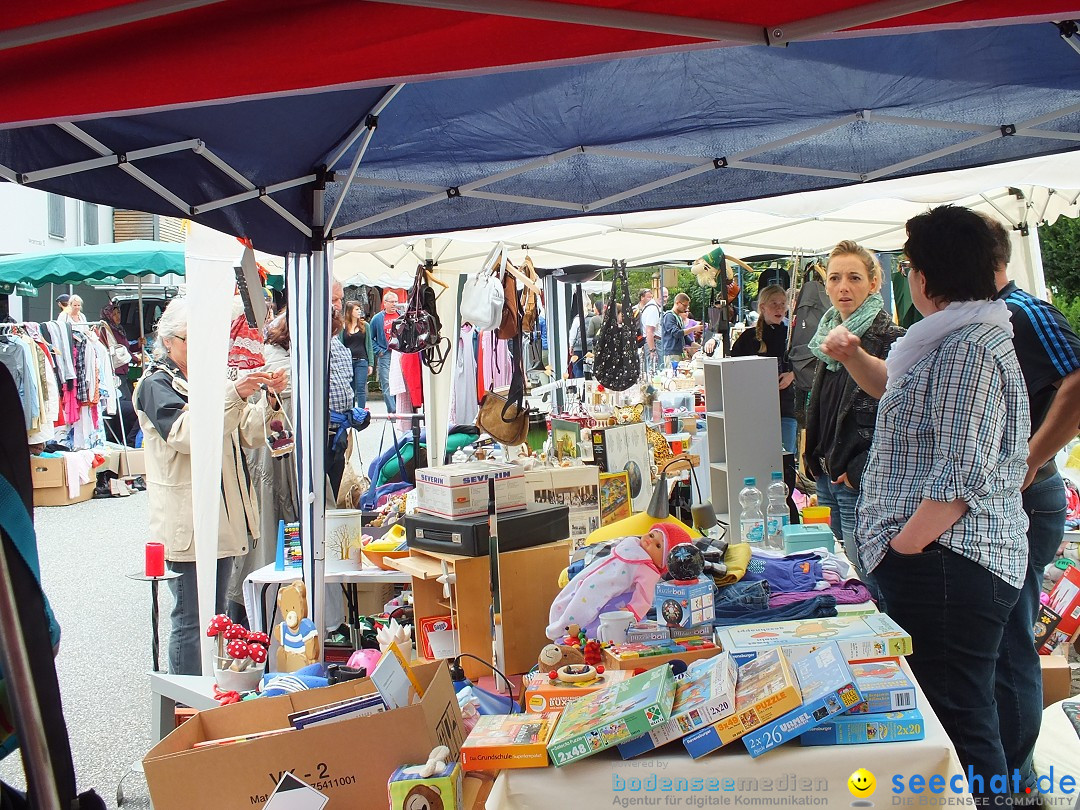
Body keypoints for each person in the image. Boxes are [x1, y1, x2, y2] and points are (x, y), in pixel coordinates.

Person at [833, 206, 1029, 799]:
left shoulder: (967, 347)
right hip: (944, 558)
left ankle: (989, 800)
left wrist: (907, 544)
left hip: (948, 560)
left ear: (924, 276)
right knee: (959, 712)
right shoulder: (951, 338)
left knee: (961, 720)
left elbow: (961, 472)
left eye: (911, 265)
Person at [134, 296, 286, 674]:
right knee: (191, 619)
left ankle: (206, 691)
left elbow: (249, 434)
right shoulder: (155, 384)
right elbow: (187, 436)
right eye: (191, 339)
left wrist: (268, 397)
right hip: (190, 522)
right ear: (168, 341)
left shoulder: (208, 380)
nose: (201, 347)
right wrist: (235, 395)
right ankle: (184, 702)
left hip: (220, 519)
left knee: (212, 614)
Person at [983, 216, 1080, 792]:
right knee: (997, 637)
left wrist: (1030, 456)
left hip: (1027, 497)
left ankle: (1013, 779)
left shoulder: (1025, 310)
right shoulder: (983, 317)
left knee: (1010, 637)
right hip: (1001, 499)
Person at [802, 240, 903, 602]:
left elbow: (898, 421)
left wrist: (858, 468)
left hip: (858, 478)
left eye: (854, 278)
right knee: (841, 577)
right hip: (829, 473)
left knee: (869, 581)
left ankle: (885, 649)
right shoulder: (827, 339)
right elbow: (827, 408)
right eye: (835, 278)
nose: (843, 287)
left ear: (874, 283)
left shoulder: (891, 340)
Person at [729, 285, 797, 454]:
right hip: (756, 411)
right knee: (760, 457)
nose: (779, 308)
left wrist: (792, 375)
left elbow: (807, 365)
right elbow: (735, 372)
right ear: (762, 307)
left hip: (786, 408)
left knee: (785, 459)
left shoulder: (791, 336)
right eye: (774, 303)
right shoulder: (748, 338)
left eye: (783, 303)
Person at [326, 289, 354, 498]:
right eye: (334, 299)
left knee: (334, 485)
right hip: (322, 432)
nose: (339, 304)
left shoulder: (336, 341)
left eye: (340, 299)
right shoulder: (310, 342)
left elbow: (345, 381)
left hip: (339, 431)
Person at [369, 290, 399, 412]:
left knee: (399, 382)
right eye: (391, 302)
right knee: (386, 382)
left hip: (399, 353)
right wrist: (379, 351)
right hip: (385, 353)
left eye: (396, 302)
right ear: (384, 303)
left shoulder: (401, 315)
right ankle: (393, 411)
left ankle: (400, 409)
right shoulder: (377, 319)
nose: (394, 304)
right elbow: (370, 338)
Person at [341, 300, 371, 409]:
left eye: (359, 309)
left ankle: (361, 411)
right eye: (356, 309)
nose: (359, 311)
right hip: (348, 361)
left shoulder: (365, 326)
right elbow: (341, 344)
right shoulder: (343, 326)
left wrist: (370, 363)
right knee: (350, 388)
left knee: (361, 387)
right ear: (350, 311)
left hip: (362, 360)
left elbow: (369, 345)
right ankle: (352, 411)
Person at [660, 292, 701, 366]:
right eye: (684, 305)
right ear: (677, 303)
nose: (685, 308)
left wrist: (701, 348)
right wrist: (694, 328)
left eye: (687, 306)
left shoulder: (678, 317)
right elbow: (677, 333)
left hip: (679, 352)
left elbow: (685, 338)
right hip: (671, 353)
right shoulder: (669, 316)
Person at [637, 289, 662, 375]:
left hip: (650, 342)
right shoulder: (652, 308)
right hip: (654, 343)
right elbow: (649, 331)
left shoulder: (648, 308)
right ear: (642, 298)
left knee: (650, 371)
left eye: (651, 297)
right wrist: (652, 350)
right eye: (648, 297)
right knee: (656, 371)